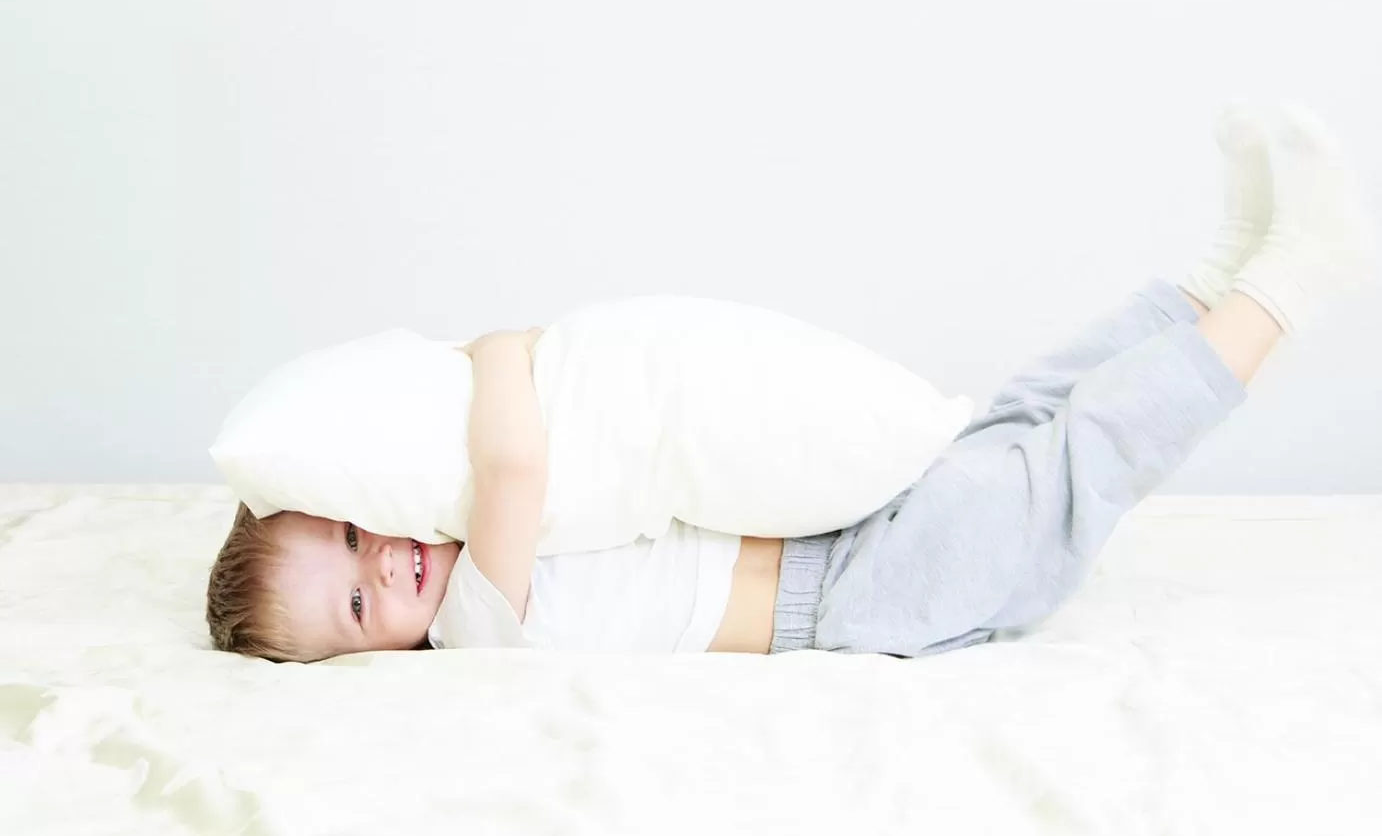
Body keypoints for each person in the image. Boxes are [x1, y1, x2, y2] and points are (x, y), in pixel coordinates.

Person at [205, 103, 1377, 663]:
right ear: (365, 659)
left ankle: (1215, 269)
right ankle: (1290, 280)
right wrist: (493, 347)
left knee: (1024, 407)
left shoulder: (444, 534)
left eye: (357, 531)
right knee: (1085, 450)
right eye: (359, 603)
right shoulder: (469, 637)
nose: (386, 561)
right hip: (863, 597)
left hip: (845, 528)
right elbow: (512, 456)